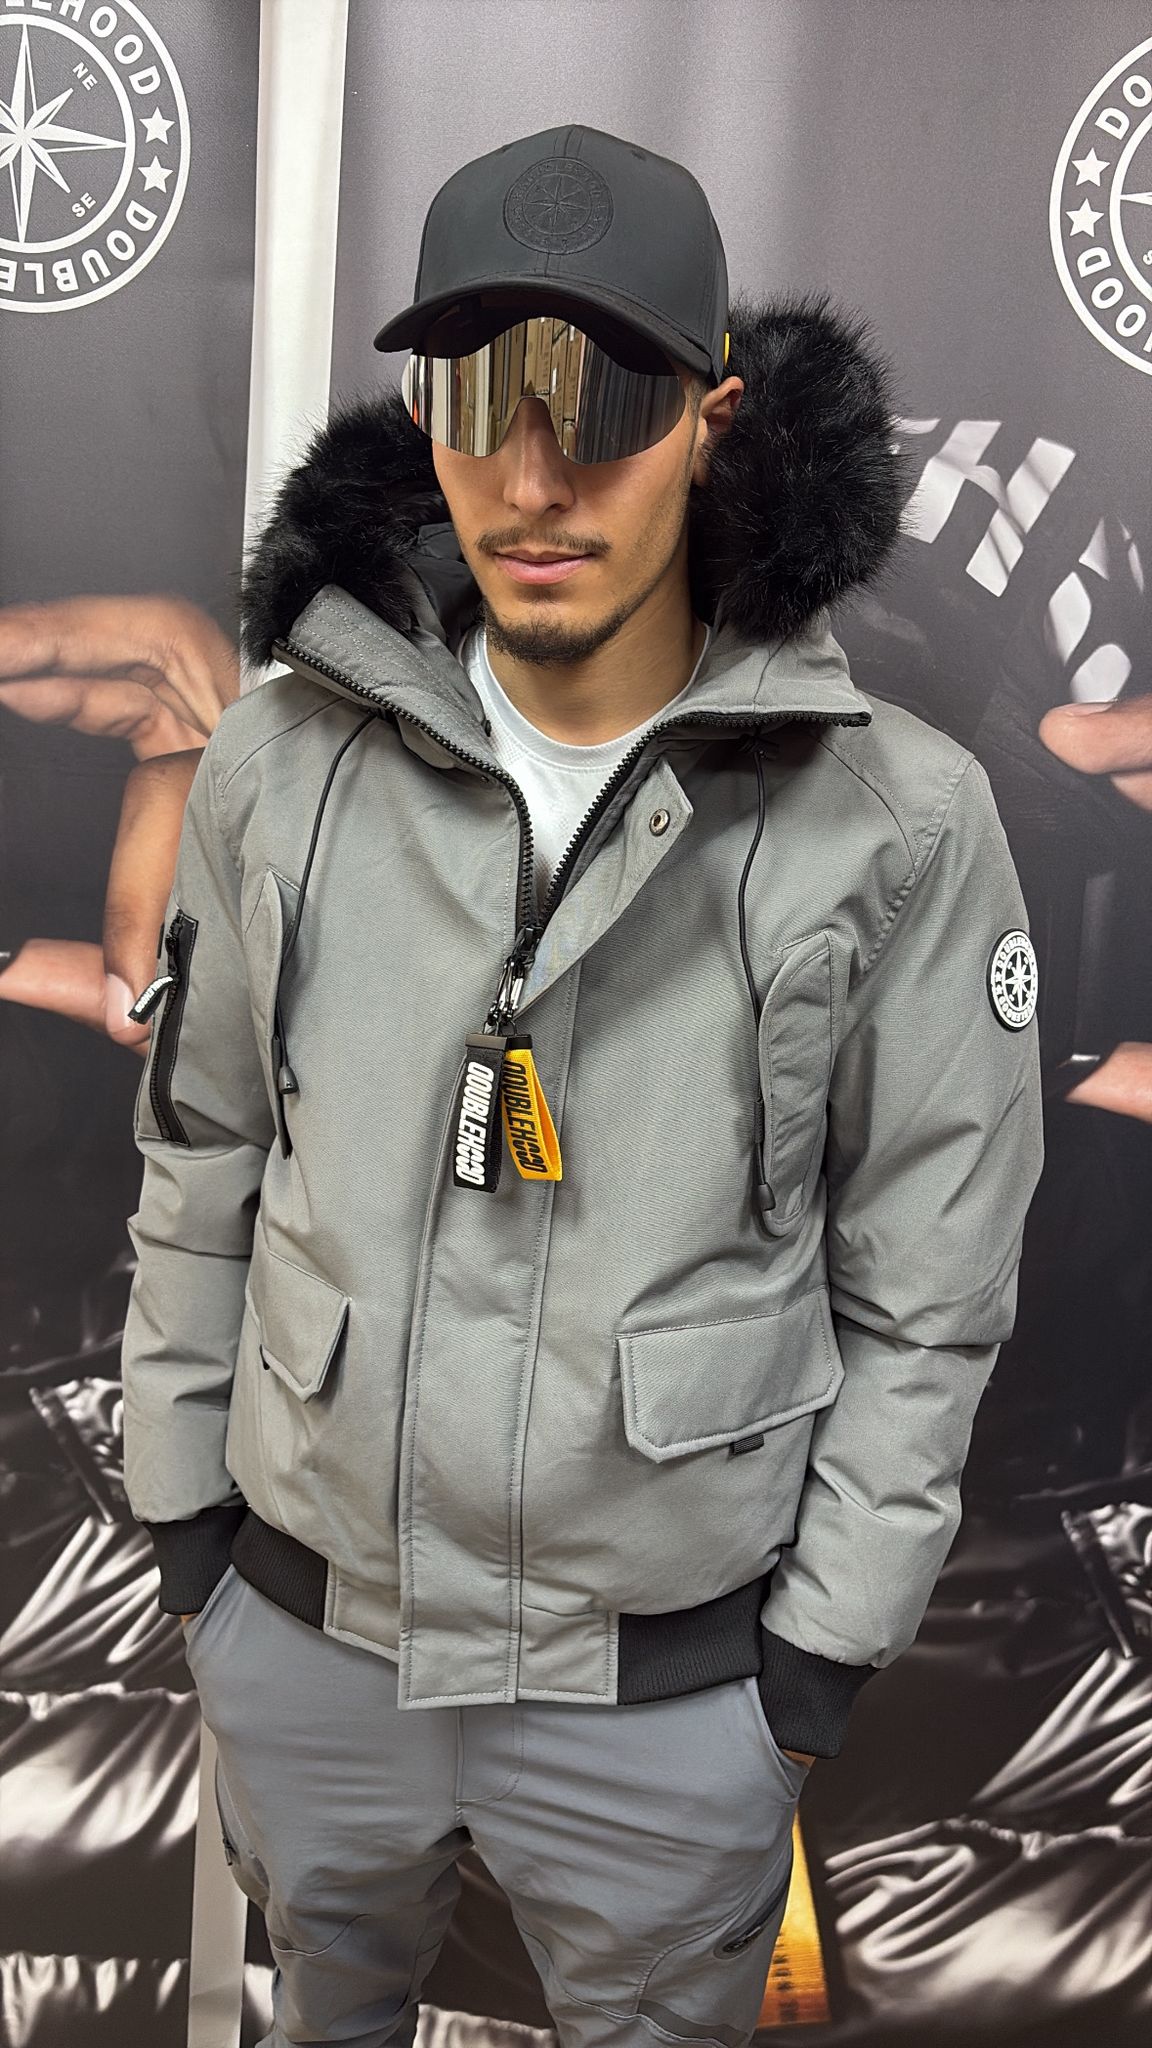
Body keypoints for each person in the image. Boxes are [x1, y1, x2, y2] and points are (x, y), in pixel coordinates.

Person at [120, 124, 1045, 2048]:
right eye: (481, 397)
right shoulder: (279, 765)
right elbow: (204, 1155)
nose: (535, 480)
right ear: (420, 416)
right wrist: (194, 1540)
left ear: (710, 419)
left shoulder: (898, 821)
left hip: (669, 1707)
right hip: (303, 1648)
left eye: (607, 400)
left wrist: (802, 1673)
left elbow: (930, 1296)